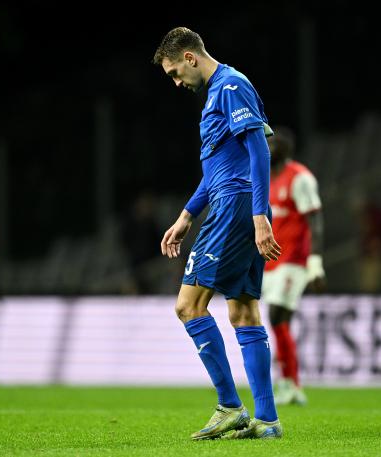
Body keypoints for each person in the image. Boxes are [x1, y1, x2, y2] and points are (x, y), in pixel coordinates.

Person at [153, 27, 282, 440]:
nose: (175, 81)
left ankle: (229, 405)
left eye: (175, 71)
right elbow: (218, 170)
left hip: (237, 208)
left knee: (188, 306)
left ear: (190, 57)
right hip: (235, 202)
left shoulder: (229, 86)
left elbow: (259, 150)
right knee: (243, 310)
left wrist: (260, 215)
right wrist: (187, 215)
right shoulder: (218, 93)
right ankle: (267, 421)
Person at [261, 126, 325, 406]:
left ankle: (292, 383)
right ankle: (288, 382)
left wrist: (315, 262)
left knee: (277, 316)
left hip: (294, 260)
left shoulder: (300, 178)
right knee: (278, 322)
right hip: (270, 262)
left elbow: (315, 221)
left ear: (286, 150)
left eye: (273, 145)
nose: (267, 149)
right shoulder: (265, 179)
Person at [352, 196, 381, 293]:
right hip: (369, 253)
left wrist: (378, 242)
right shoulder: (372, 216)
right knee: (366, 283)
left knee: (371, 285)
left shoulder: (376, 217)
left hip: (375, 255)